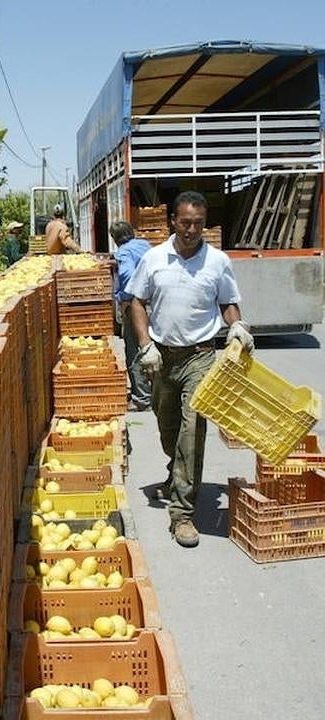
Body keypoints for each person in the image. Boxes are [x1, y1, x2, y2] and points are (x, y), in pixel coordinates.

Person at [126, 190, 254, 548]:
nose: (192, 230)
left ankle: (182, 514)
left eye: (198, 223)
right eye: (186, 223)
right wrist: (146, 345)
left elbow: (228, 302)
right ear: (173, 222)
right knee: (167, 428)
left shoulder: (217, 261)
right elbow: (137, 301)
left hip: (200, 357)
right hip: (162, 359)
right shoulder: (154, 259)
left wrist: (237, 326)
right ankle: (175, 470)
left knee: (192, 431)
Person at [109, 220, 152, 411]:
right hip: (154, 303)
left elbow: (127, 274)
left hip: (136, 306)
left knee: (135, 350)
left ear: (115, 239)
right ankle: (156, 392)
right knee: (153, 347)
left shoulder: (124, 252)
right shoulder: (144, 245)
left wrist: (127, 299)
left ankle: (142, 398)